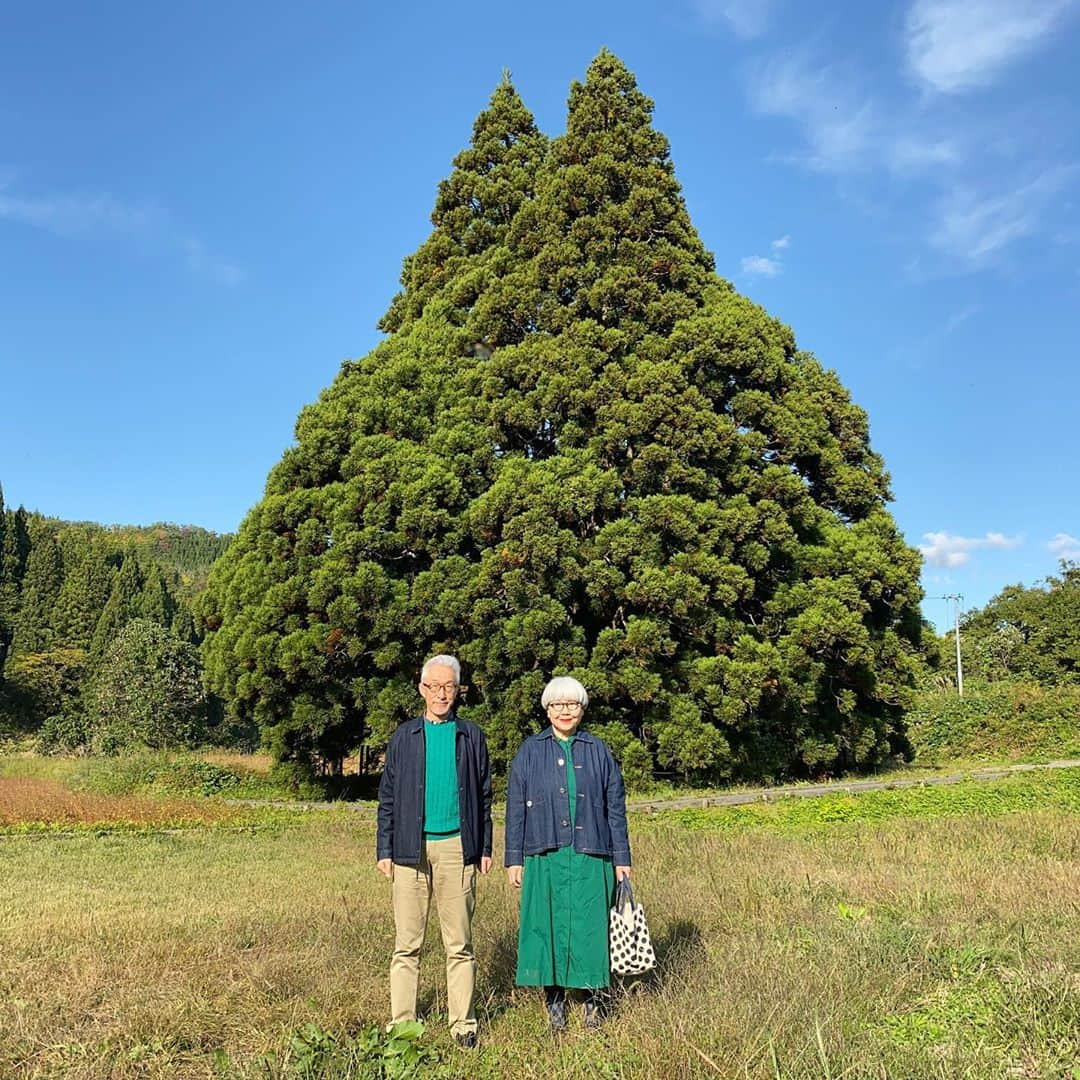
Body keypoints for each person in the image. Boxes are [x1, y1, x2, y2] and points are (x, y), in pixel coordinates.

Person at [376, 654, 493, 1049]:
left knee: (459, 943)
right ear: (422, 689)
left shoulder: (471, 736)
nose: (442, 694)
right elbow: (387, 797)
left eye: (449, 687)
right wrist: (384, 848)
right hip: (409, 848)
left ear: (459, 691)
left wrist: (485, 845)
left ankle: (463, 1024)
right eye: (434, 686)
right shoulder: (403, 738)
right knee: (407, 943)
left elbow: (484, 796)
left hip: (458, 847)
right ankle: (402, 1024)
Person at [504, 676, 632, 1032]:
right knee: (547, 929)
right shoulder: (530, 750)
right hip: (545, 855)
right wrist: (514, 857)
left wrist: (622, 859)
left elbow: (615, 807)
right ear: (547, 709)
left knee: (590, 929)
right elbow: (516, 806)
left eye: (572, 705)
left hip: (592, 854)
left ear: (581, 709)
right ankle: (555, 1003)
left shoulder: (598, 750)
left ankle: (592, 1003)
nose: (565, 711)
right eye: (558, 705)